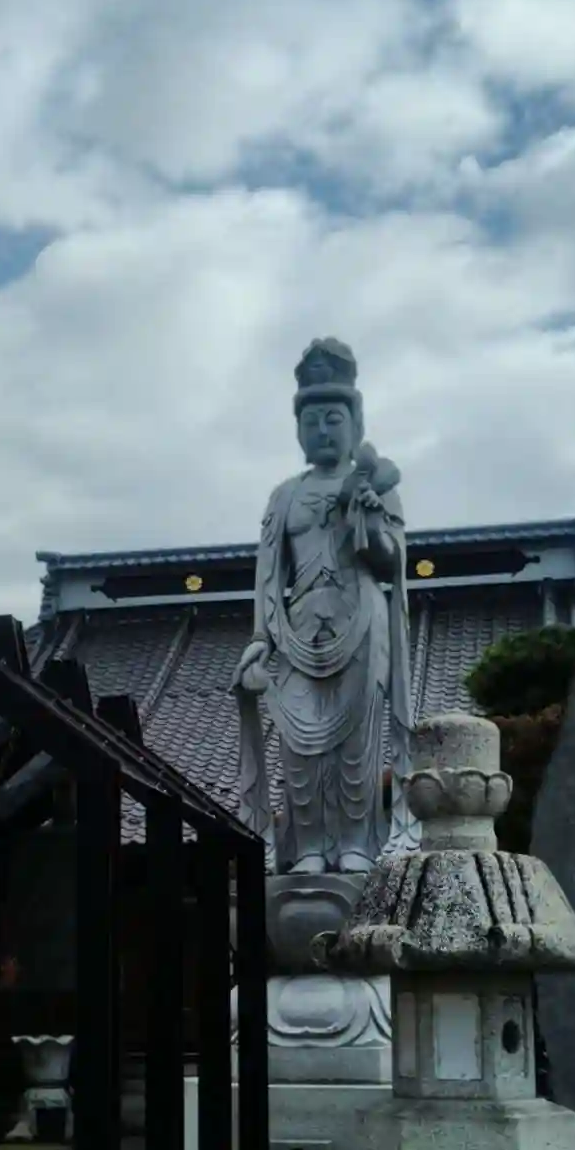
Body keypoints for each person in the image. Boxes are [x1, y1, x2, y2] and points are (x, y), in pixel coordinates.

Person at [234, 338, 415, 873]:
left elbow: (391, 563)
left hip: (361, 618)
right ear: (298, 430)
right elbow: (269, 576)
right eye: (310, 421)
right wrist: (261, 639)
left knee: (357, 744)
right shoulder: (283, 497)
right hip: (298, 628)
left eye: (333, 419)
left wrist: (369, 519)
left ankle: (357, 843)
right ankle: (309, 847)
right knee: (299, 749)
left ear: (355, 424)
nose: (322, 430)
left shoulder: (378, 487)